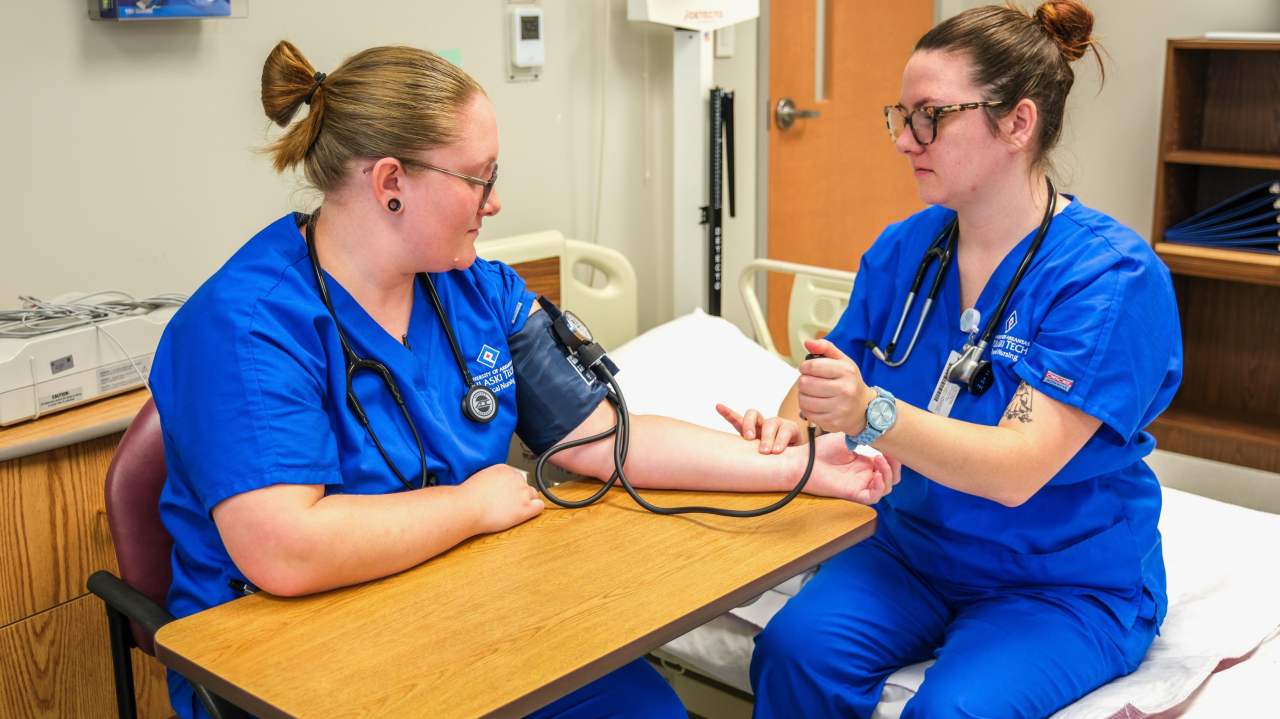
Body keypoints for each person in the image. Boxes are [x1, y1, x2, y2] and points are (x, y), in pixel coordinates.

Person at [149, 40, 893, 719]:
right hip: (298, 658)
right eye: (479, 178)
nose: (495, 201)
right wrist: (469, 507)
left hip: (466, 615)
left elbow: (606, 440)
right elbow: (285, 549)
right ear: (390, 182)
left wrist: (798, 467)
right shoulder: (249, 326)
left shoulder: (476, 290)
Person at [717, 2, 1183, 717]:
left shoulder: (1107, 278)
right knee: (793, 651)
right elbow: (823, 379)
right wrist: (792, 428)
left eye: (932, 116)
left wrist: (869, 413)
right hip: (911, 549)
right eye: (901, 117)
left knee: (952, 712)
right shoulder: (907, 249)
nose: (907, 140)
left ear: (1018, 124)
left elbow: (1018, 467)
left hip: (1058, 579)